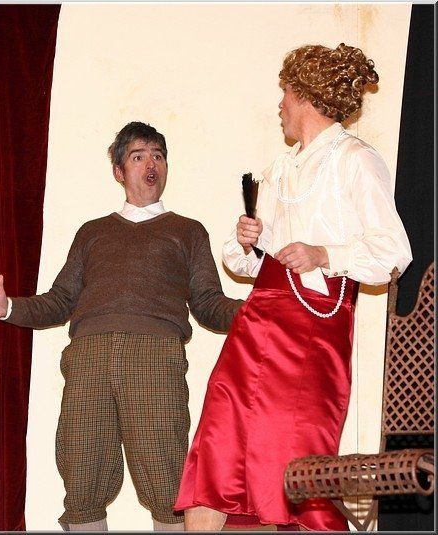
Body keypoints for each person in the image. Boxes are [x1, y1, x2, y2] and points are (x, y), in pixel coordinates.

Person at [174, 43, 413, 531]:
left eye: (285, 91)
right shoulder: (280, 169)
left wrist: (325, 254)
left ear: (304, 94)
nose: (280, 104)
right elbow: (245, 262)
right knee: (216, 452)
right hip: (257, 322)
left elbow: (394, 252)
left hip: (313, 331)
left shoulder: (356, 159)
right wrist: (249, 241)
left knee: (297, 468)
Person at [0, 121, 243, 531]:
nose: (150, 165)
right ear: (119, 171)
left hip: (155, 359)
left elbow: (208, 303)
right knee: (81, 476)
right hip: (88, 358)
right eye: (138, 157)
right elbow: (60, 300)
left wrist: (254, 312)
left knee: (167, 480)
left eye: (158, 156)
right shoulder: (92, 232)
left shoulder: (188, 231)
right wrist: (8, 307)